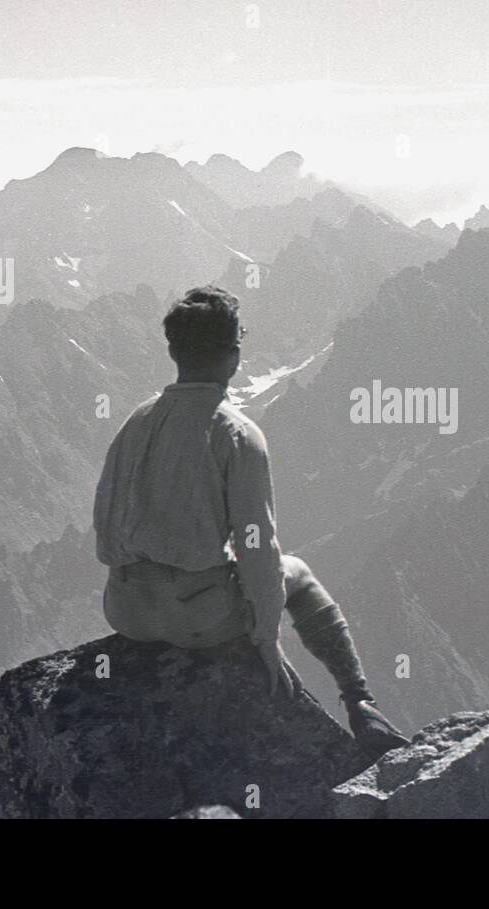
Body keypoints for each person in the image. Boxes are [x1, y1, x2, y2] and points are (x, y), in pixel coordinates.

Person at [93, 285, 409, 755]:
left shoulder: (135, 421)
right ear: (234, 351)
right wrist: (264, 637)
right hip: (197, 619)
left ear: (173, 350)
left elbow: (104, 525)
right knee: (296, 572)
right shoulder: (236, 433)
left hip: (126, 610)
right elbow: (258, 548)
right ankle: (362, 703)